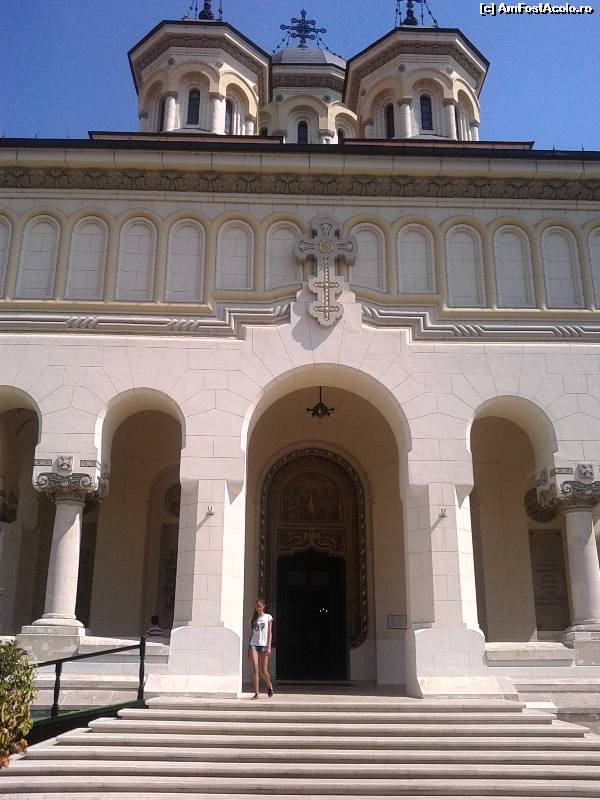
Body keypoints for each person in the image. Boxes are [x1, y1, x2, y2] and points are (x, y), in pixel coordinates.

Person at [247, 598, 273, 699]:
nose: (258, 608)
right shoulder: (253, 619)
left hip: (264, 645)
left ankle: (269, 685)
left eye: (260, 606)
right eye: (257, 606)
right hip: (254, 644)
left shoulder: (268, 617)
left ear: (263, 607)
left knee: (263, 671)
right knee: (255, 668)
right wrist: (248, 649)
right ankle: (257, 693)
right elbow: (251, 634)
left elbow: (269, 632)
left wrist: (269, 647)